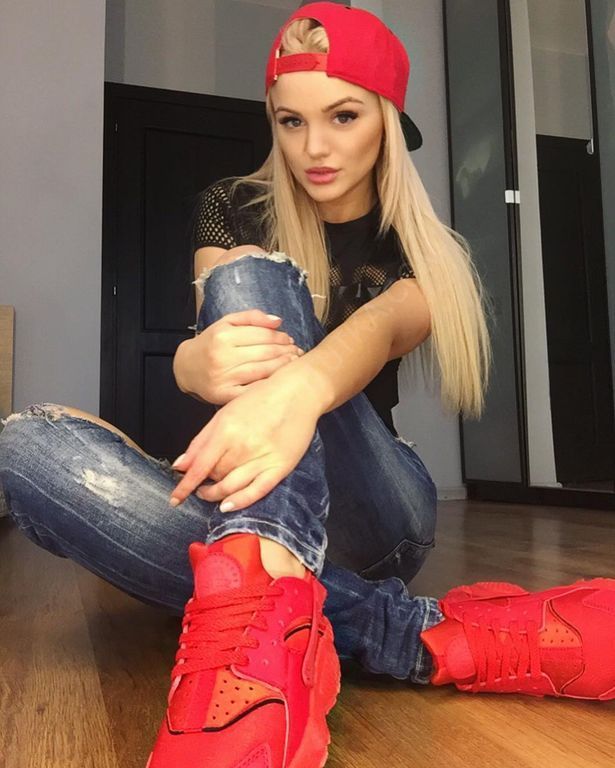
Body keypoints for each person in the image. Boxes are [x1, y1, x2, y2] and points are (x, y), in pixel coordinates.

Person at [0, 3, 613, 767]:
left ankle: (261, 607)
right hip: (253, 486)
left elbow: (375, 334)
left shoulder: (423, 251)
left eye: (342, 116)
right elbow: (212, 323)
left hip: (376, 512)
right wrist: (193, 363)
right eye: (290, 121)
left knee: (247, 279)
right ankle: (399, 629)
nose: (313, 147)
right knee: (22, 451)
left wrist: (293, 390)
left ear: (386, 120)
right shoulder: (231, 205)